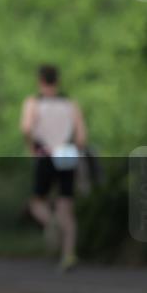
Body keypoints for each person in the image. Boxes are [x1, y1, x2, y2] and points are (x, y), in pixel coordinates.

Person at [20, 64, 87, 272]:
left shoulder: (34, 103)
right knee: (66, 206)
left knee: (36, 202)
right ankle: (68, 255)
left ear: (40, 80)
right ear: (58, 81)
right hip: (67, 154)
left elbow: (26, 128)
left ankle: (51, 224)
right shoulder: (70, 104)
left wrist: (31, 147)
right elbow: (81, 137)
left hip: (45, 153)